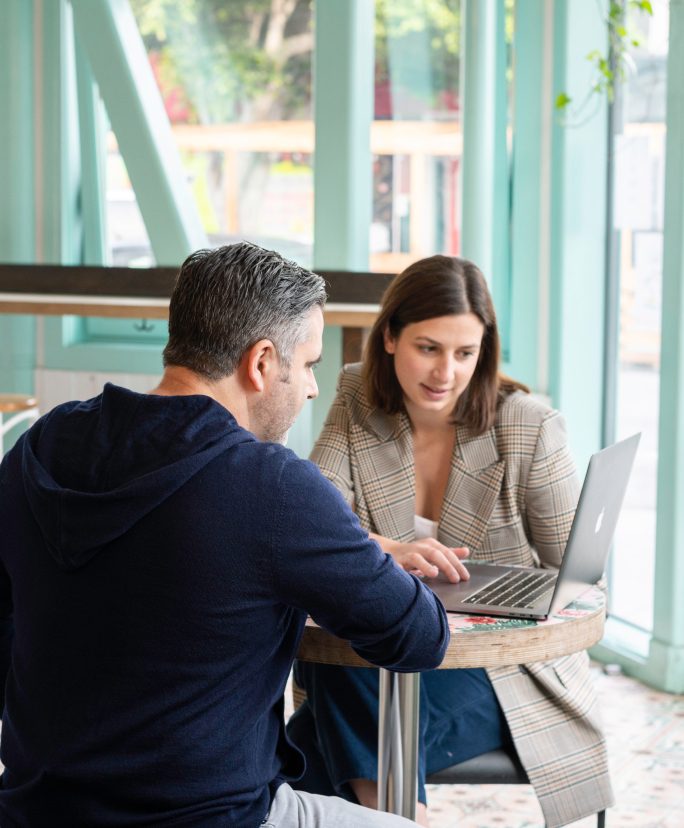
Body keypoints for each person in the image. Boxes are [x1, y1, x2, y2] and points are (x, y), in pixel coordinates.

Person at [0, 242, 450, 828]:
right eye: (308, 364)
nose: (313, 388)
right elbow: (419, 637)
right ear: (262, 362)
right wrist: (359, 547)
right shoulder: (272, 485)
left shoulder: (43, 444)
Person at [287, 255, 614, 828]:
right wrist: (385, 547)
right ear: (389, 337)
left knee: (293, 748)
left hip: (500, 672)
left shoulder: (528, 425)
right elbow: (316, 522)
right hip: (384, 653)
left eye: (466, 353)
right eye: (429, 348)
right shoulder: (357, 395)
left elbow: (581, 579)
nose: (446, 373)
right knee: (344, 681)